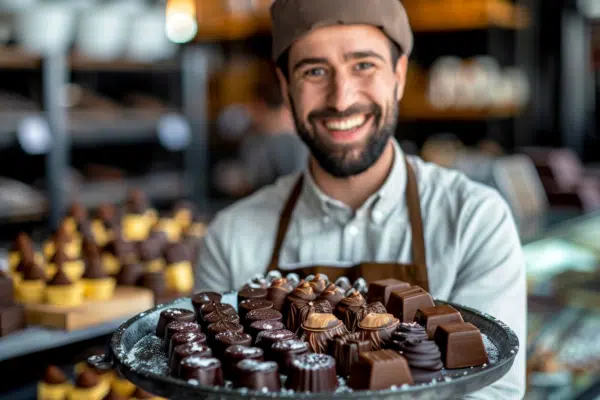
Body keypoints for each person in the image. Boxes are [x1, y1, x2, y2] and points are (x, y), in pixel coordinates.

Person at [196, 1, 526, 398]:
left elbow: (493, 390)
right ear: (286, 87)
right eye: (315, 71)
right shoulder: (231, 237)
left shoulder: (474, 220)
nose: (341, 98)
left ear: (399, 75)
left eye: (363, 65)